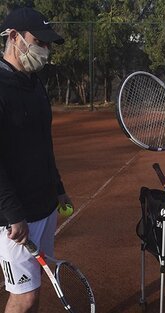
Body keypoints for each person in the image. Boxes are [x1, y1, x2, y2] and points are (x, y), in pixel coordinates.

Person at [0, 7, 72, 313]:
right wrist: (12, 213)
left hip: (44, 207)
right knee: (24, 296)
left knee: (34, 289)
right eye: (38, 41)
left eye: (47, 44)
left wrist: (58, 187)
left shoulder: (35, 84)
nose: (45, 50)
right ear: (13, 37)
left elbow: (44, 143)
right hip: (15, 217)